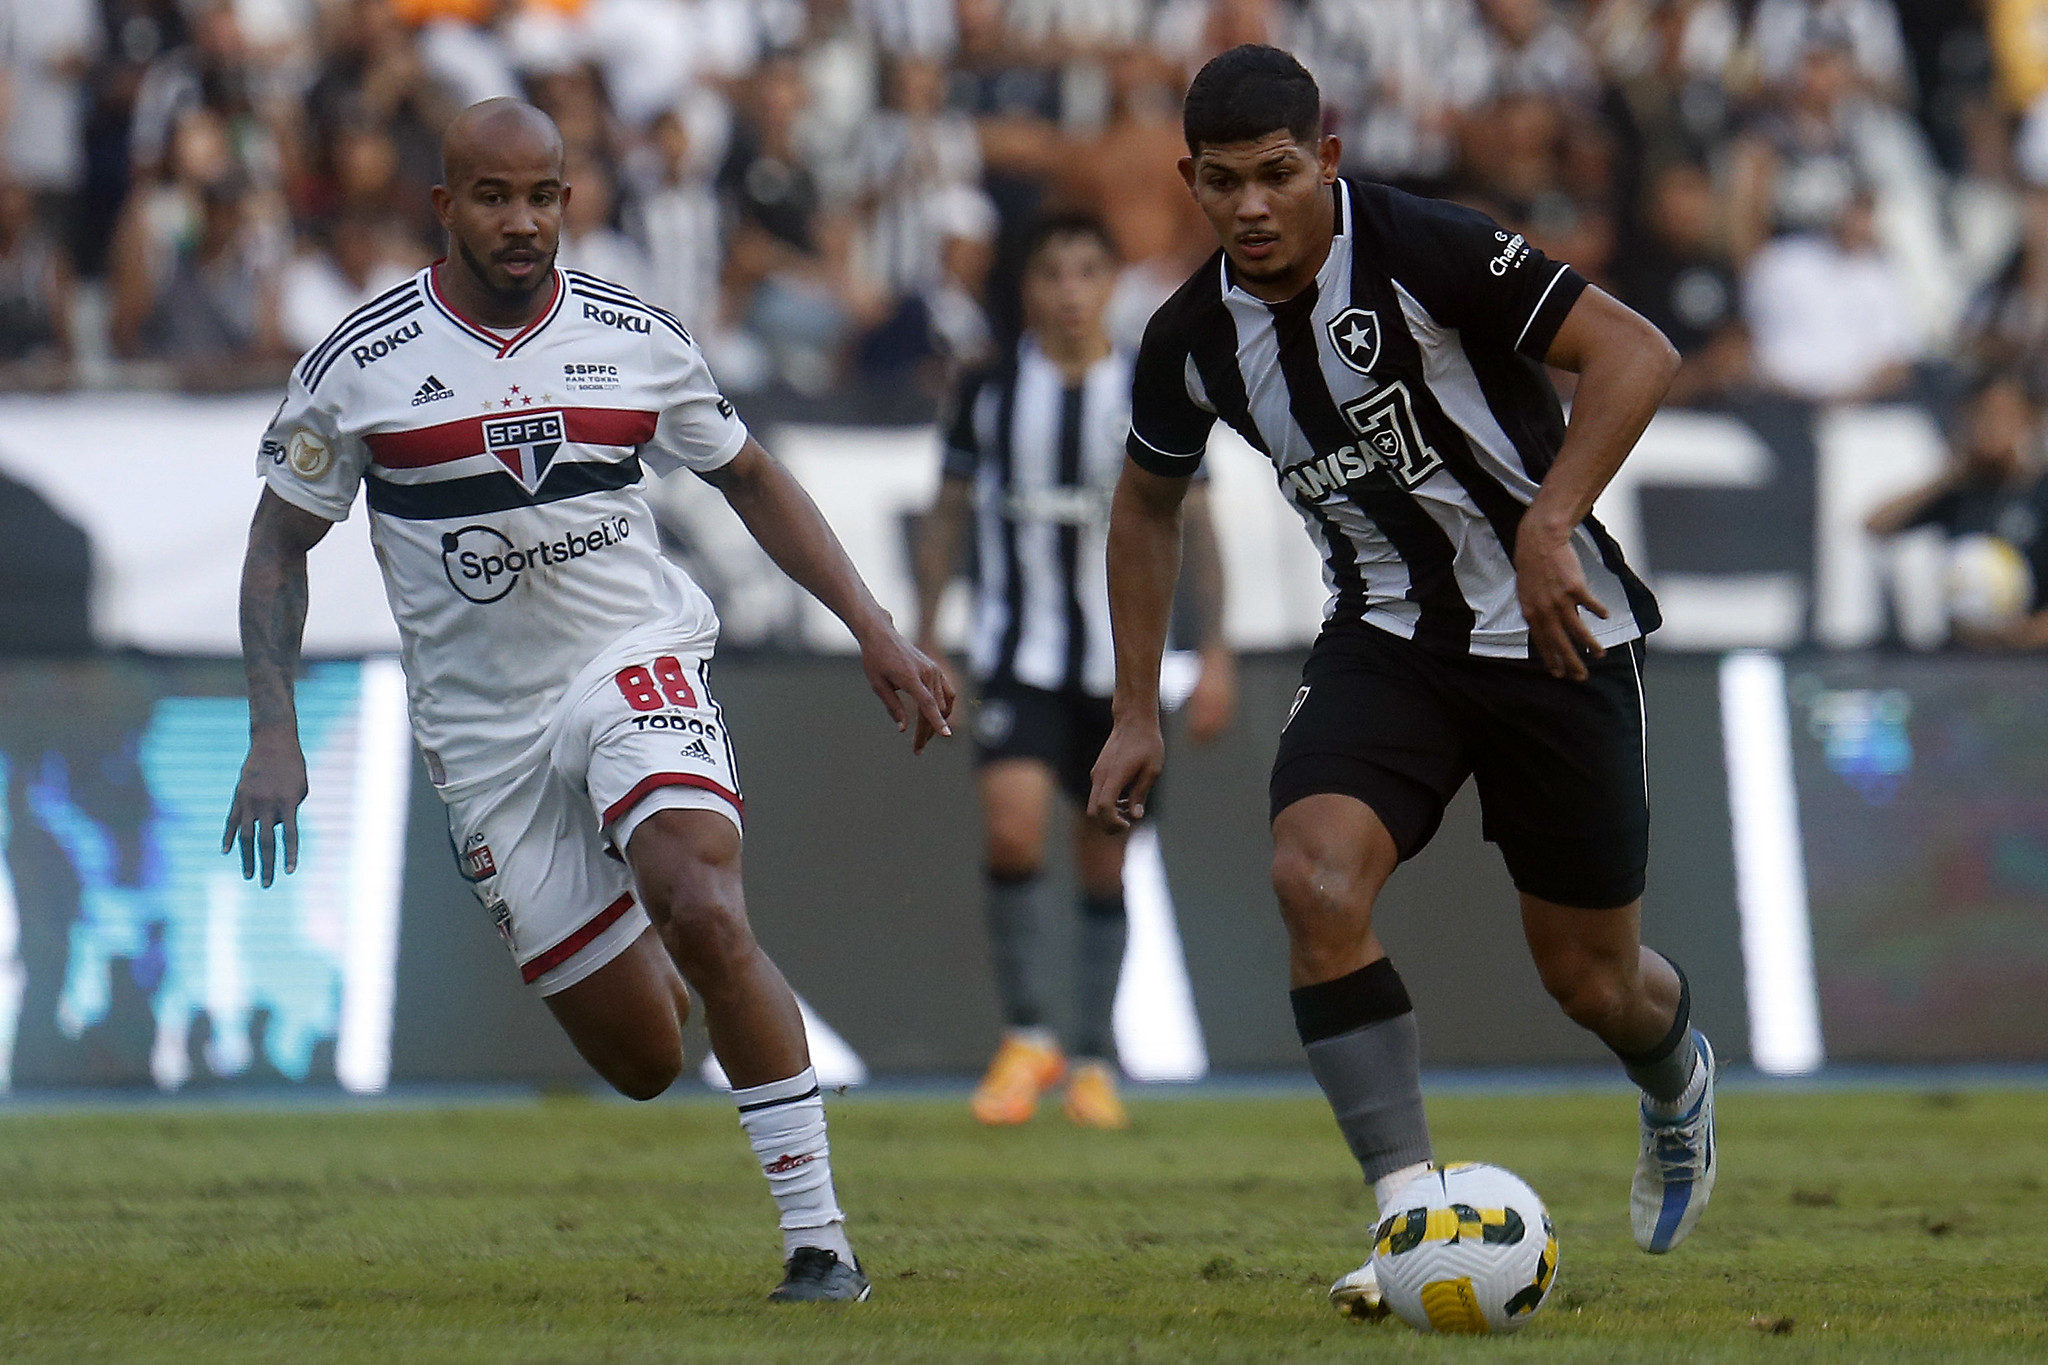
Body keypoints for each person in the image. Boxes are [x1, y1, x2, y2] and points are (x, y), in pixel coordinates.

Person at [221, 99, 954, 1303]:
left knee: (705, 903)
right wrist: (272, 731)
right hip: (486, 737)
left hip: (630, 657)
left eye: (545, 196)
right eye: (495, 198)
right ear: (444, 205)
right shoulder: (361, 365)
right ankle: (641, 920)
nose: (524, 222)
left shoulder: (634, 337)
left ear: (568, 198)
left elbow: (753, 477)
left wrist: (872, 628)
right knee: (644, 1059)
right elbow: (275, 548)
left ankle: (820, 1242)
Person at [1086, 46, 1717, 1320]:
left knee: (1592, 980)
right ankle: (1406, 1219)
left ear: (1322, 160)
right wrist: (1136, 707)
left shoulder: (1428, 246)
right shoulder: (1187, 338)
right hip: (1389, 641)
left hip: (1555, 631)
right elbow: (1145, 509)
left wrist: (1549, 525)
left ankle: (1673, 1084)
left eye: (1274, 176)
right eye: (1222, 184)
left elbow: (1635, 353)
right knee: (1308, 876)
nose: (1251, 207)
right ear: (1189, 183)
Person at [914, 210, 1235, 1131]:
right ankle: (1027, 1036)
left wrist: (1212, 652)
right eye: (1052, 271)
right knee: (1013, 833)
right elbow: (945, 513)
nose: (1068, 290)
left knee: (1106, 862)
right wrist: (928, 632)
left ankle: (1092, 1057)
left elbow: (1198, 524)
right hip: (1019, 657)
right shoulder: (987, 386)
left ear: (1109, 284)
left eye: (1086, 271)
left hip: (1120, 673)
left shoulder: (1147, 382)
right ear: (1030, 287)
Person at [1866, 372, 2048, 650]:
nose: (1993, 428)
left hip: (2032, 660)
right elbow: (1876, 525)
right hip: (1964, 658)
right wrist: (1949, 475)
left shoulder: (2040, 489)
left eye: (2005, 416)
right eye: (1982, 417)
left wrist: (2034, 632)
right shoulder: (1962, 490)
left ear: (2030, 421)